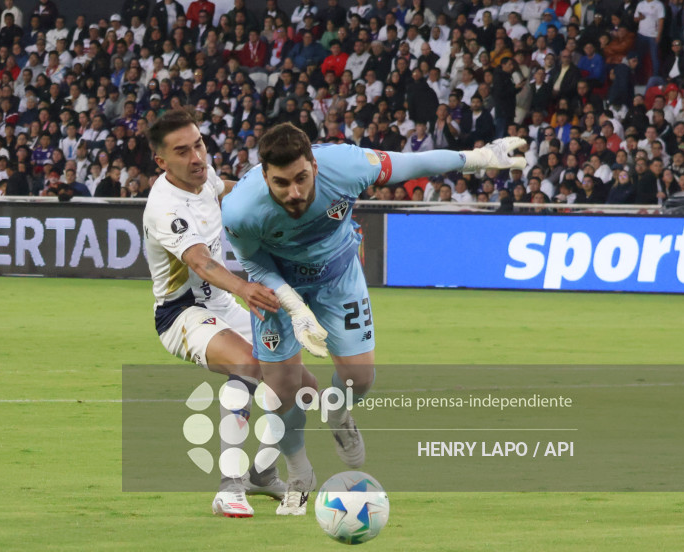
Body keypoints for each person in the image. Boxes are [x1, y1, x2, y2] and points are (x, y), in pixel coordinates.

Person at [221, 123, 526, 515]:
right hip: (278, 289)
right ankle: (298, 473)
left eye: (301, 178)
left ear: (315, 165)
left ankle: (337, 411)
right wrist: (293, 305)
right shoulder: (241, 209)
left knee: (360, 378)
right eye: (281, 183)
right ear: (265, 176)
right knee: (281, 388)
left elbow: (414, 164)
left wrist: (479, 157)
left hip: (338, 278)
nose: (294, 192)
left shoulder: (346, 166)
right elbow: (252, 262)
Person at [142, 109, 316, 518]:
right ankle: (229, 487)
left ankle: (262, 473)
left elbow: (230, 191)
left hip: (222, 306)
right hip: (181, 314)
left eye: (199, 145)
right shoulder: (164, 207)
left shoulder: (204, 178)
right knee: (248, 364)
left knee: (299, 384)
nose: (196, 157)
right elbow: (200, 261)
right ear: (161, 161)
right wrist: (245, 288)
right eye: (182, 152)